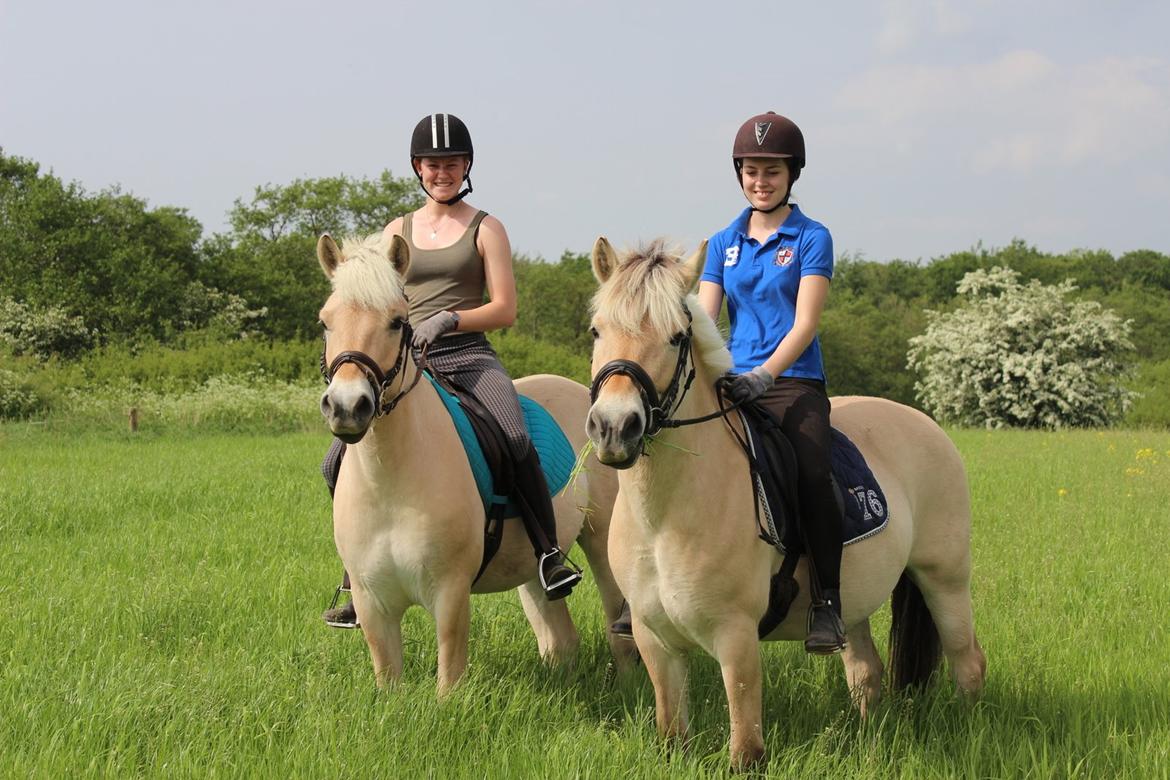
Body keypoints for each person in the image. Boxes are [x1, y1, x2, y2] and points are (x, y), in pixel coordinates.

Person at [321, 113, 582, 628]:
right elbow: (370, 300)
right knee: (335, 459)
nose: (443, 172)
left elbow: (505, 308)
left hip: (467, 355)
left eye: (452, 162)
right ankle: (357, 577)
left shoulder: (487, 227)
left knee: (513, 435)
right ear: (418, 168)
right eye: (433, 163)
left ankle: (549, 554)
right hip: (407, 360)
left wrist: (449, 319)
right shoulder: (395, 232)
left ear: (467, 166)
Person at [697, 111, 847, 654]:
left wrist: (764, 375)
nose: (761, 181)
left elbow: (806, 322)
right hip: (732, 381)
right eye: (752, 170)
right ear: (739, 173)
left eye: (773, 171)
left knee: (812, 472)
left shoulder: (812, 237)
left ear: (792, 175)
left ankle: (827, 602)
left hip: (792, 382)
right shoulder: (721, 242)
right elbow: (704, 319)